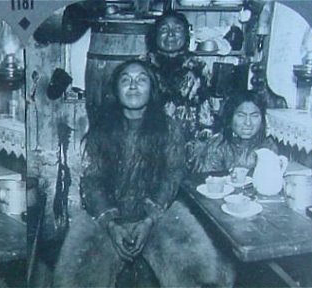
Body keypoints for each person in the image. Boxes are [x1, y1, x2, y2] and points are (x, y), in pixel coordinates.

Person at [53, 59, 234, 287]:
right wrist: (111, 223)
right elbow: (92, 180)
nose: (133, 86)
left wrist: (149, 220)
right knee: (74, 279)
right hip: (106, 216)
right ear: (116, 90)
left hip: (159, 213)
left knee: (200, 276)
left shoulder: (169, 128)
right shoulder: (102, 129)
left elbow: (172, 175)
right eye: (125, 80)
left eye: (141, 80)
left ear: (152, 89)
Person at [147, 12, 215, 166]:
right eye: (164, 29)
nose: (171, 34)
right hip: (150, 143)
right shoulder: (142, 66)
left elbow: (206, 109)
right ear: (154, 35)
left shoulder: (198, 66)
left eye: (177, 29)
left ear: (186, 35)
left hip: (188, 145)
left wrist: (203, 141)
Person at [193, 90, 278, 173]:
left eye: (254, 116)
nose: (248, 123)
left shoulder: (268, 147)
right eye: (241, 116)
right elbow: (211, 181)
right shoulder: (219, 145)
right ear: (230, 118)